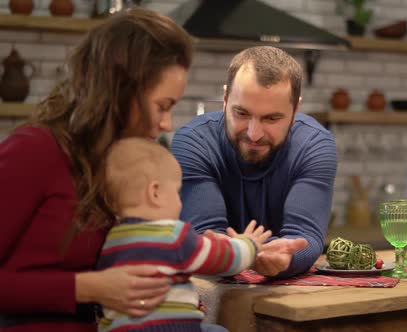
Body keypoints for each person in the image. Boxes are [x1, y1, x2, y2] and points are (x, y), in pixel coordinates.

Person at [0, 8, 193, 331]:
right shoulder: (34, 151)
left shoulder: (113, 163)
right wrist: (86, 288)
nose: (167, 124)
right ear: (121, 91)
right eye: (163, 106)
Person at [170, 46, 338, 278]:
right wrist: (246, 254)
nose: (254, 133)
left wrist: (286, 257)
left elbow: (304, 237)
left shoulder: (314, 145)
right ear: (226, 98)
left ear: (295, 109)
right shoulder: (193, 142)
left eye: (272, 118)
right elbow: (204, 238)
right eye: (242, 113)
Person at [97, 138, 270, 332]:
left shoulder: (112, 242)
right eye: (178, 192)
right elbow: (226, 259)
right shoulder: (173, 236)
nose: (180, 203)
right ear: (155, 193)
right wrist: (248, 244)